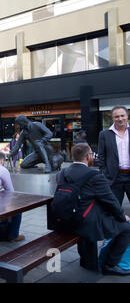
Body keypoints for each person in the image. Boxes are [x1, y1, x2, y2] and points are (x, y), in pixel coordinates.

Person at [55, 143, 130, 275]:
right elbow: (110, 201)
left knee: (85, 214)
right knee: (126, 229)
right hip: (84, 222)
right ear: (88, 156)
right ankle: (110, 265)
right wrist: (122, 216)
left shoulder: (62, 173)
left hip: (66, 219)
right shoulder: (94, 175)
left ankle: (87, 261)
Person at [97, 106, 130, 206]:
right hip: (114, 178)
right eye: (116, 116)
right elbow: (101, 156)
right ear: (112, 118)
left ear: (127, 116)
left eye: (122, 115)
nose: (120, 119)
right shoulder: (104, 134)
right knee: (114, 208)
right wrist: (105, 173)